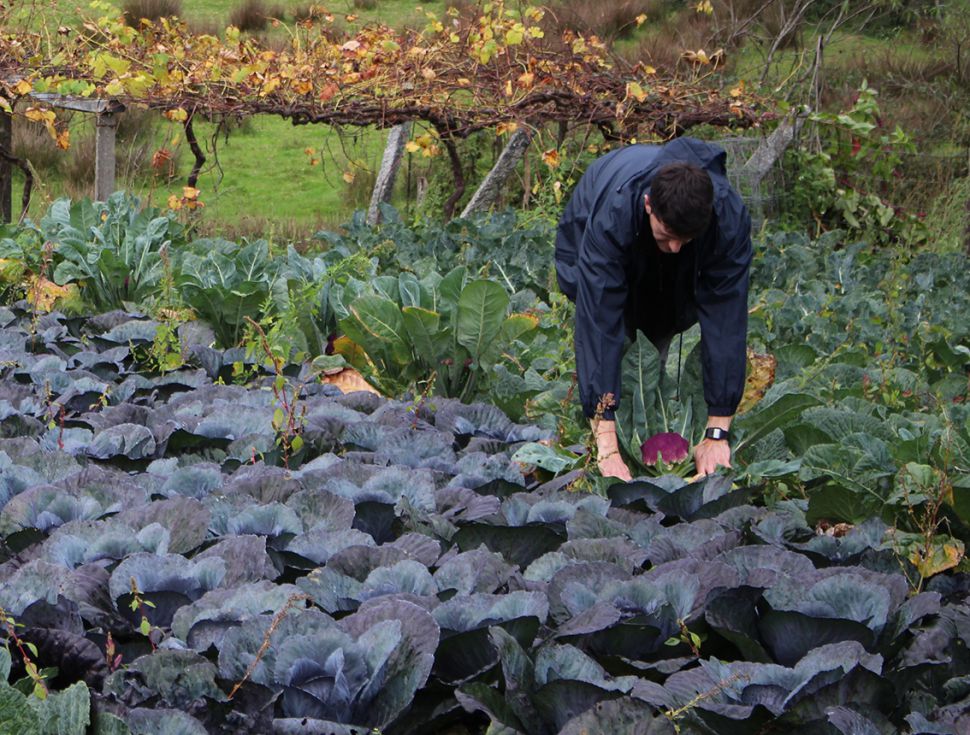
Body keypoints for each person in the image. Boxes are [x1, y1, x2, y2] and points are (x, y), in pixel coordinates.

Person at [554, 136, 752, 481]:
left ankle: (642, 403)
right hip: (595, 207)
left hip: (670, 235)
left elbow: (727, 318)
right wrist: (608, 448)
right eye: (667, 236)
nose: (675, 248)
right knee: (611, 329)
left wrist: (717, 431)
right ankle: (604, 416)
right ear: (648, 205)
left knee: (662, 318)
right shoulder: (610, 218)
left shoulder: (726, 218)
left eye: (685, 240)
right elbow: (598, 321)